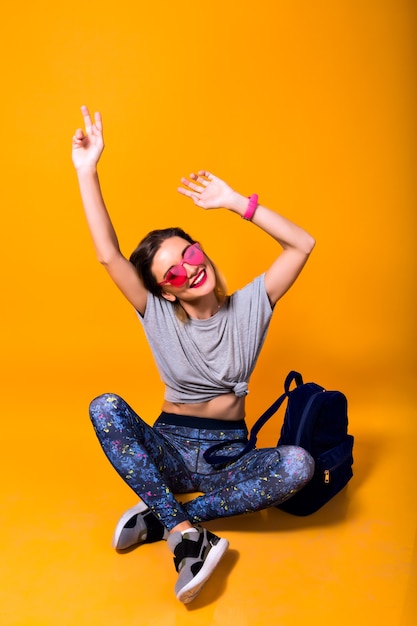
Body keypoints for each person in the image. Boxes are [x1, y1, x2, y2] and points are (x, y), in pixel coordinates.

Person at [71, 105, 316, 604]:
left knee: (298, 465)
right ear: (164, 292)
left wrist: (235, 203)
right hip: (169, 450)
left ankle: (165, 515)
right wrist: (87, 171)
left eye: (191, 254)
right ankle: (187, 536)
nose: (190, 270)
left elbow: (302, 244)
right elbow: (107, 255)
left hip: (230, 457)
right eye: (173, 273)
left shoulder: (253, 304)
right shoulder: (156, 313)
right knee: (104, 405)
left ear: (202, 250)